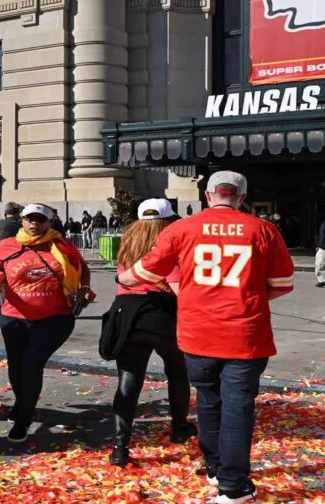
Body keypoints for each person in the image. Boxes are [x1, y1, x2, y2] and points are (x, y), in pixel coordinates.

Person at [117, 171, 295, 503]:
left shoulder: (182, 228)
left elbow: (145, 272)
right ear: (241, 198)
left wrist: (125, 277)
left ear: (209, 195)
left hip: (197, 332)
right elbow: (283, 284)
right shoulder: (264, 230)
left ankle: (215, 469)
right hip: (245, 333)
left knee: (209, 401)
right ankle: (233, 483)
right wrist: (246, 296)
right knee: (238, 407)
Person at [0, 203, 95, 443]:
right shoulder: (7, 246)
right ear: (22, 221)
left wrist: (84, 288)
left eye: (40, 220)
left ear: (49, 222)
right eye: (29, 219)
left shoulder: (62, 244)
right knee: (16, 367)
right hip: (14, 318)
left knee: (32, 365)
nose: (34, 224)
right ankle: (23, 403)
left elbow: (82, 268)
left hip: (55, 318)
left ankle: (23, 418)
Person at [106, 198, 196, 467]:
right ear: (168, 220)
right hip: (164, 312)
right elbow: (178, 284)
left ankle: (120, 446)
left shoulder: (128, 240)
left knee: (129, 380)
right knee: (178, 373)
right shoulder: (171, 242)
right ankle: (179, 428)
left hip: (129, 313)